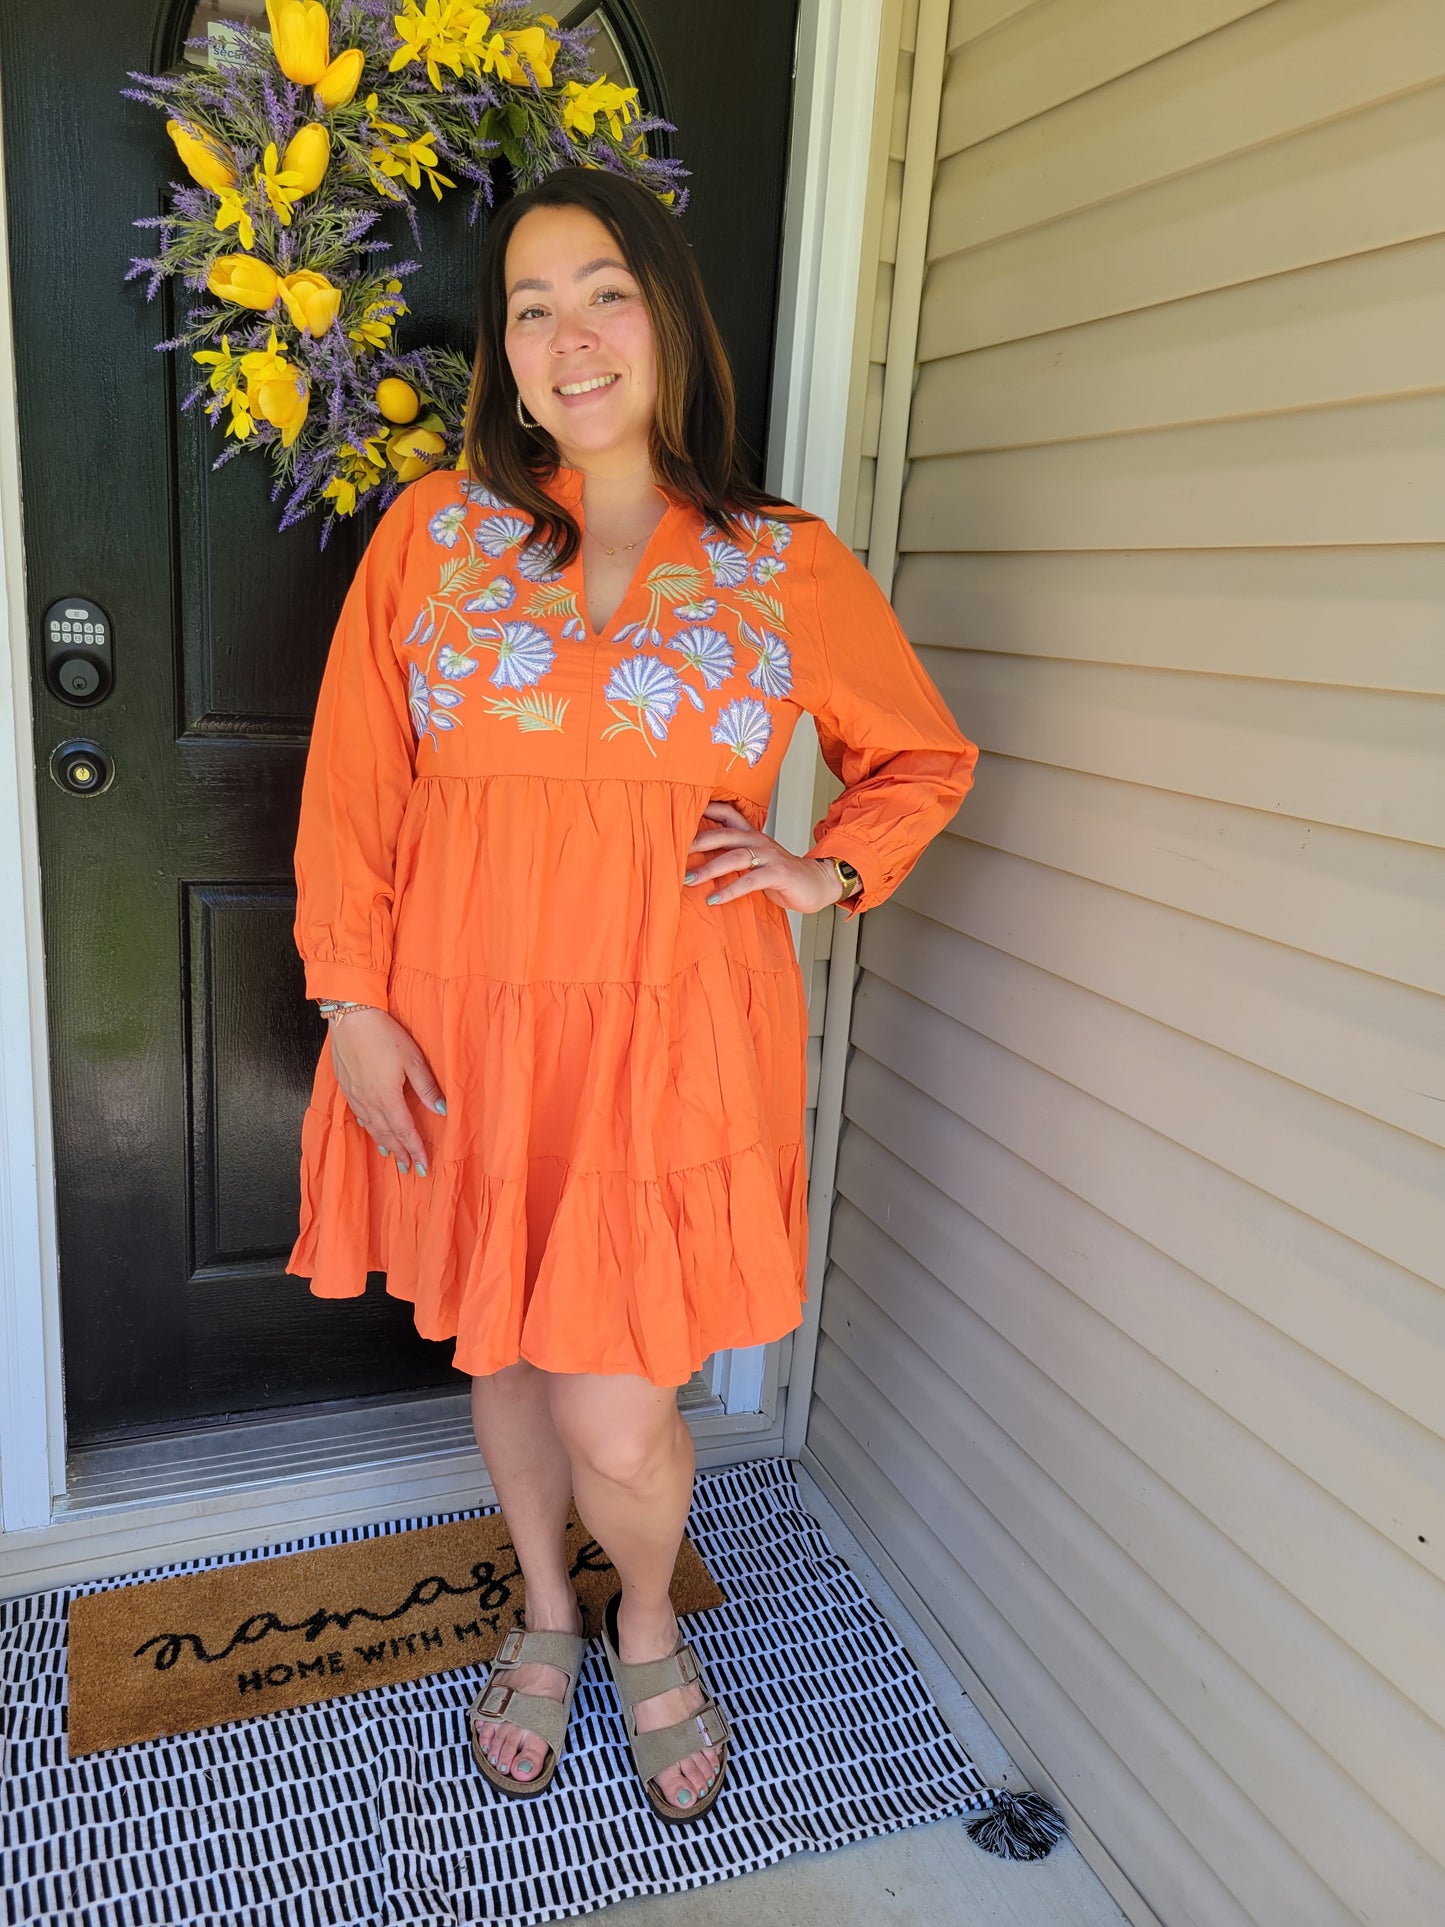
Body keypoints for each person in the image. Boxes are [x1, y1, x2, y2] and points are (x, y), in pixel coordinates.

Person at [286, 165, 978, 1821]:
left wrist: (831, 868)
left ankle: (648, 1612)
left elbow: (917, 756)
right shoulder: (431, 537)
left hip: (665, 1044)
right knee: (506, 1362)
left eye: (599, 292)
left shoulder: (777, 559)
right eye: (528, 308)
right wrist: (352, 1004)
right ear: (502, 355)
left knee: (617, 1407)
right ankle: (543, 1607)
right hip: (460, 1029)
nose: (565, 336)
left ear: (665, 315)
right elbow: (355, 788)